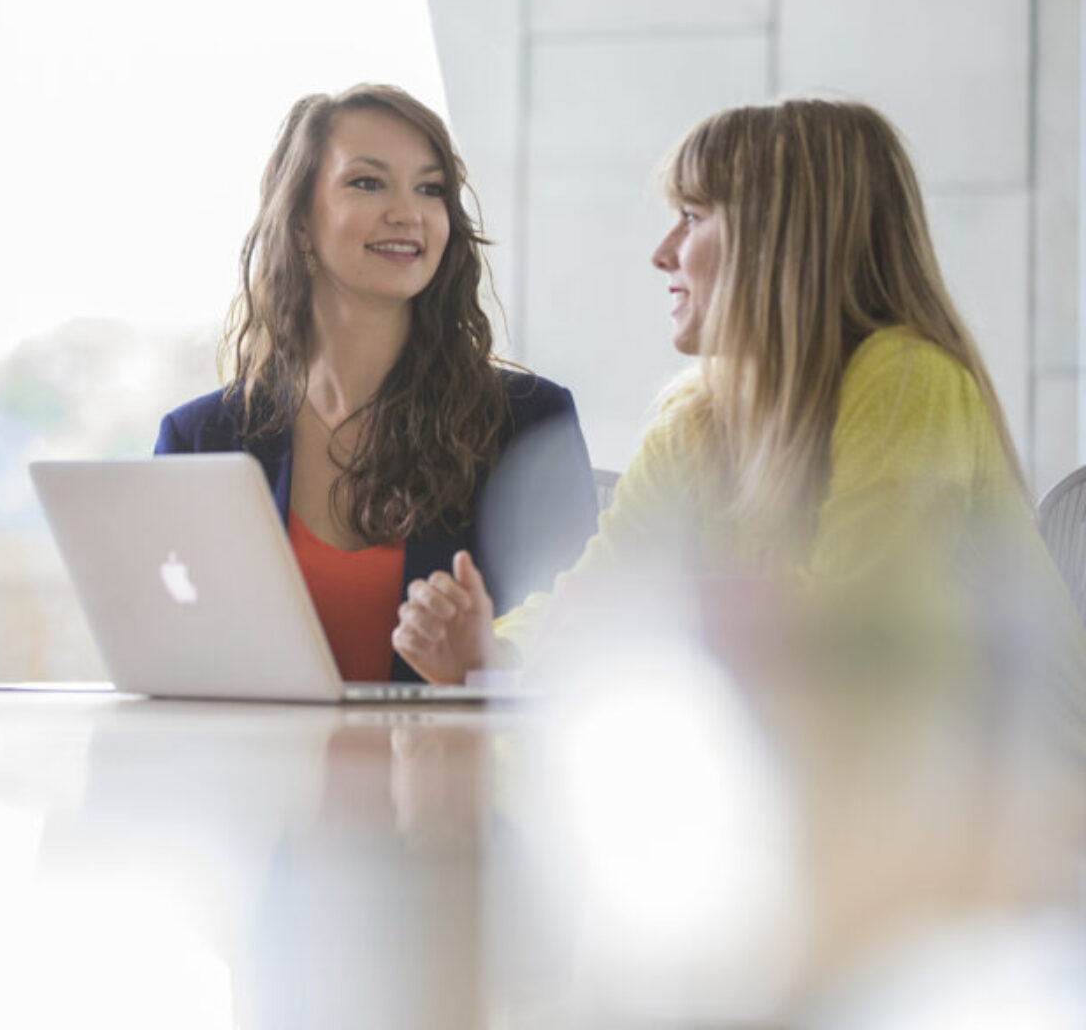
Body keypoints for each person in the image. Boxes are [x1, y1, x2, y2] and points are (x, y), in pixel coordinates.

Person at [393, 97, 1086, 719]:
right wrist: (489, 650)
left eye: (691, 218)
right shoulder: (695, 423)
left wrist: (667, 616)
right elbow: (593, 591)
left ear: (780, 238)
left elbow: (862, 626)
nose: (662, 254)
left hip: (1010, 810)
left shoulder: (909, 376)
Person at [156, 84, 598, 683]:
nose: (407, 212)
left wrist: (484, 662)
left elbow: (579, 647)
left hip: (460, 774)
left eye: (430, 189)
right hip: (261, 774)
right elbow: (167, 652)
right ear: (302, 225)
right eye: (367, 183)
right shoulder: (200, 437)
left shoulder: (526, 421)